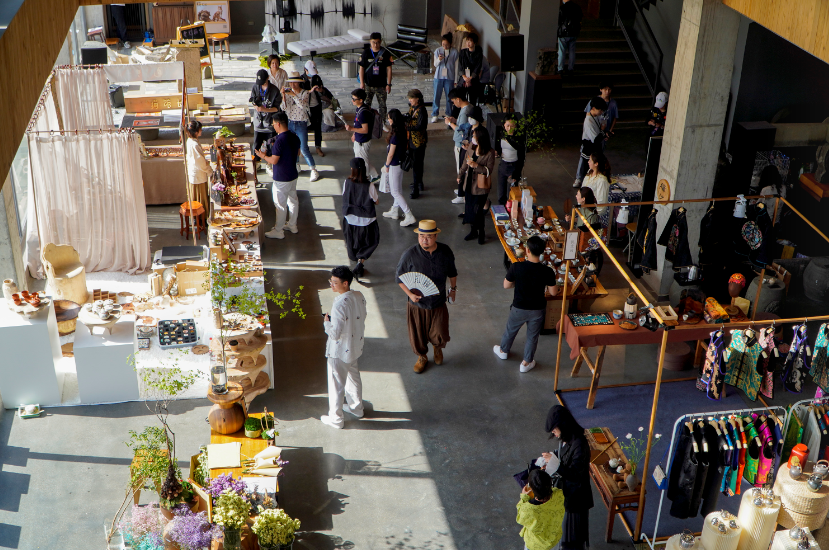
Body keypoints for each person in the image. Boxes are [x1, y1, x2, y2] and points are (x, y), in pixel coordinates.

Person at [396, 220, 458, 374]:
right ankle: (422, 356)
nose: (424, 240)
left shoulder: (445, 251)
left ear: (436, 236)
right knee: (417, 334)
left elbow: (452, 272)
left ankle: (437, 349)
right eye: (421, 236)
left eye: (429, 236)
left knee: (440, 331)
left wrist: (453, 289)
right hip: (417, 304)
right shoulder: (409, 254)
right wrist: (410, 294)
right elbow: (399, 278)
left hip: (438, 301)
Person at [493, 236, 557, 372]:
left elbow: (506, 285)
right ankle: (526, 363)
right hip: (537, 310)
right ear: (542, 252)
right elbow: (553, 293)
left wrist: (519, 282)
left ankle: (503, 351)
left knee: (510, 330)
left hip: (518, 308)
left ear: (527, 250)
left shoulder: (516, 267)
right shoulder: (547, 271)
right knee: (532, 337)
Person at [321, 266, 367, 430]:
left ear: (345, 283)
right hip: (354, 347)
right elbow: (361, 317)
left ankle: (336, 419)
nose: (331, 285)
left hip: (339, 352)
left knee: (336, 385)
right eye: (331, 281)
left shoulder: (340, 304)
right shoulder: (359, 296)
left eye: (334, 282)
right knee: (353, 379)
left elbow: (334, 334)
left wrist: (327, 323)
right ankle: (357, 408)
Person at [543, 405, 593, 550]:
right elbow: (563, 455)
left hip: (577, 499)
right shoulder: (567, 438)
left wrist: (556, 465)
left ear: (563, 424)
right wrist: (551, 458)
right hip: (568, 496)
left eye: (554, 428)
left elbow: (575, 474)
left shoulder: (579, 444)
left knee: (573, 542)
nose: (553, 432)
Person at [256, 112, 301, 239]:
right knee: (293, 200)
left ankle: (278, 230)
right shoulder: (294, 136)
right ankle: (293, 225)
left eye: (273, 124)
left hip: (281, 177)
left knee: (280, 204)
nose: (273, 127)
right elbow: (298, 153)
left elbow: (274, 161)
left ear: (279, 124)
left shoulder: (279, 141)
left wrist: (263, 156)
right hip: (293, 174)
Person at [342, 158, 379, 279]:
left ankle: (356, 261)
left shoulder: (346, 182)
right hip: (366, 222)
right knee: (370, 242)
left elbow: (344, 196)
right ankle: (360, 262)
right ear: (364, 170)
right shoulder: (369, 185)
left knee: (352, 243)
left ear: (352, 169)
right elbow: (376, 201)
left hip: (350, 220)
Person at [282, 71, 321, 182]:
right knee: (293, 147)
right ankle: (296, 165)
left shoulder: (305, 93)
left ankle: (313, 170)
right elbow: (284, 108)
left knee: (304, 148)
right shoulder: (288, 93)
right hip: (291, 123)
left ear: (299, 83)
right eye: (291, 83)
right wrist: (284, 96)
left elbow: (303, 106)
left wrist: (293, 95)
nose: (293, 85)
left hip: (301, 123)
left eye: (295, 83)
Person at [458, 126, 494, 244]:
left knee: (478, 211)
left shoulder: (490, 152)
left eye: (474, 136)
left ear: (480, 138)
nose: (472, 138)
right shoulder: (471, 148)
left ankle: (481, 232)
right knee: (469, 209)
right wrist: (460, 175)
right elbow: (465, 162)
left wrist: (476, 166)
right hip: (469, 184)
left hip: (481, 187)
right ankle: (473, 231)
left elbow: (489, 170)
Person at [381, 109, 417, 227]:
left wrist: (386, 165)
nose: (388, 120)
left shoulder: (395, 135)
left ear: (393, 120)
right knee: (398, 189)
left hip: (394, 165)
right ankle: (395, 210)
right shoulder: (403, 130)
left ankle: (409, 214)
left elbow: (390, 154)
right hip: (400, 164)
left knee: (395, 192)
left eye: (389, 118)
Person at [516, 469, 566, 550]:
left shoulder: (528, 509)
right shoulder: (559, 494)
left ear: (532, 489)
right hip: (554, 540)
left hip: (535, 545)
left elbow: (520, 518)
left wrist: (524, 497)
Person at [250, 69, 282, 183]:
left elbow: (277, 108)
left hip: (269, 124)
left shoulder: (274, 90)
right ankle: (255, 168)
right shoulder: (255, 87)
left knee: (271, 147)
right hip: (258, 123)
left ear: (268, 78)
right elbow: (253, 102)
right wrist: (256, 107)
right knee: (256, 147)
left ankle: (269, 165)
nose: (261, 84)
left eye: (263, 81)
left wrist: (265, 109)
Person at [359, 32, 393, 131]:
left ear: (380, 42)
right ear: (370, 42)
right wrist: (362, 83)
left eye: (378, 42)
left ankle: (382, 123)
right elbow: (361, 68)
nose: (375, 45)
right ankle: (367, 123)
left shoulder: (385, 52)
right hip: (368, 84)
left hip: (381, 85)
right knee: (366, 105)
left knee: (382, 105)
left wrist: (389, 84)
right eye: (373, 42)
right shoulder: (366, 53)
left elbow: (389, 69)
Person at [345, 89, 380, 181]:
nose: (352, 100)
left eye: (354, 99)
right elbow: (358, 124)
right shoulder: (361, 108)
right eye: (352, 98)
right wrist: (354, 134)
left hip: (362, 142)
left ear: (361, 100)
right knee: (364, 159)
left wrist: (351, 129)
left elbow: (365, 130)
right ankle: (375, 176)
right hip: (359, 139)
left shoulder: (363, 113)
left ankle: (366, 178)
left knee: (363, 163)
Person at [445, 88, 472, 203]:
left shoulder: (465, 111)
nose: (453, 103)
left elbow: (461, 130)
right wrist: (455, 120)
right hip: (463, 143)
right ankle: (461, 190)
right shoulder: (468, 107)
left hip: (461, 144)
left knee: (461, 169)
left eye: (453, 101)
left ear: (458, 99)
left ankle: (462, 194)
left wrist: (450, 123)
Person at [574, 96, 607, 187]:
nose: (601, 112)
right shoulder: (588, 121)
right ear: (593, 108)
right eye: (600, 110)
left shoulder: (596, 116)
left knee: (595, 168)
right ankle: (587, 186)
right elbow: (595, 140)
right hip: (589, 149)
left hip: (594, 148)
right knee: (588, 169)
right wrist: (603, 132)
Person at [455, 105, 484, 206]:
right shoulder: (469, 127)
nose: (470, 119)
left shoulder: (481, 131)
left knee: (471, 179)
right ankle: (461, 193)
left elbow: (482, 147)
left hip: (473, 156)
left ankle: (468, 200)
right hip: (465, 152)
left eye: (472, 117)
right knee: (462, 170)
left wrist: (470, 147)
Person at [494, 116, 526, 206]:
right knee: (501, 193)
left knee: (511, 193)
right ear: (504, 125)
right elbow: (500, 148)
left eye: (512, 126)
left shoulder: (518, 138)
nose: (509, 128)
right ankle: (501, 211)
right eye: (507, 125)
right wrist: (498, 153)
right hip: (503, 164)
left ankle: (511, 213)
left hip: (513, 166)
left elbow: (521, 157)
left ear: (515, 126)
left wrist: (517, 172)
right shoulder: (501, 135)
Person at [406, 89, 428, 199]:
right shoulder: (412, 107)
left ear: (417, 99)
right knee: (417, 164)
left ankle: (416, 189)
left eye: (411, 98)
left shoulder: (422, 110)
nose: (410, 100)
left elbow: (421, 126)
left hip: (419, 142)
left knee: (417, 165)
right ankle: (419, 183)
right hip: (412, 140)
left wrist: (408, 127)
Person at [431, 33, 458, 123]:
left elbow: (456, 66)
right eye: (443, 45)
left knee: (449, 97)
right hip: (438, 77)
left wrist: (456, 80)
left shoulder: (454, 52)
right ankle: (435, 114)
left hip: (449, 77)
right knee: (436, 96)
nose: (445, 46)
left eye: (446, 45)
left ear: (450, 44)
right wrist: (439, 59)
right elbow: (435, 64)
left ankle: (448, 113)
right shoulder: (438, 51)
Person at [565, 187, 601, 252]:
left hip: (583, 242)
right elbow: (580, 220)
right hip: (578, 235)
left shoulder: (591, 216)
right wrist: (571, 218)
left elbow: (588, 235)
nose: (576, 196)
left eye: (578, 194)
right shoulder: (582, 206)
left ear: (583, 199)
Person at [184, 120, 211, 210]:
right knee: (200, 196)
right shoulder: (194, 144)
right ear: (196, 132)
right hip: (198, 173)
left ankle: (198, 217)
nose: (201, 131)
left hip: (194, 171)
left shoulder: (190, 140)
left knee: (196, 196)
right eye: (200, 130)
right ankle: (200, 216)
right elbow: (200, 163)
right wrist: (209, 171)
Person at [584, 82, 618, 147]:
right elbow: (588, 114)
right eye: (605, 89)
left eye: (609, 89)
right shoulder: (594, 101)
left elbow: (614, 118)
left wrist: (608, 131)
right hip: (595, 131)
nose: (607, 91)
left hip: (603, 130)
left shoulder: (613, 103)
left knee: (600, 147)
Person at [306, 72, 329, 157]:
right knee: (305, 128)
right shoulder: (302, 80)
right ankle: (304, 148)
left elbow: (328, 94)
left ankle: (318, 147)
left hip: (317, 107)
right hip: (306, 109)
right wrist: (310, 90)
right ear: (306, 70)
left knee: (318, 128)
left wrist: (321, 90)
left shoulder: (316, 78)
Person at [458, 32, 484, 105]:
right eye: (467, 40)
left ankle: (472, 115)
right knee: (460, 97)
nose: (468, 42)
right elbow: (460, 66)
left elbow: (477, 67)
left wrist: (470, 78)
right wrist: (465, 77)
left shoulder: (478, 53)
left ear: (474, 42)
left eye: (470, 41)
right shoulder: (463, 52)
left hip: (473, 79)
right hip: (464, 78)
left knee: (473, 99)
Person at [581, 151, 610, 216]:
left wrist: (591, 214)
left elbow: (601, 204)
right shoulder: (590, 172)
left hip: (591, 214)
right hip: (583, 208)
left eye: (590, 160)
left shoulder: (602, 180)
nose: (588, 162)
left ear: (596, 164)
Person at [558, 0, 582, 74]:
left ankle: (560, 69)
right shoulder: (577, 7)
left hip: (564, 33)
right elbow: (580, 19)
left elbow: (559, 20)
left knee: (562, 51)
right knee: (572, 52)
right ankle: (570, 68)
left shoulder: (562, 8)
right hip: (573, 33)